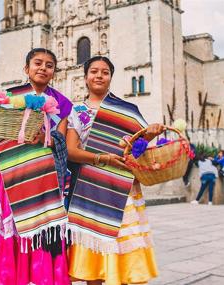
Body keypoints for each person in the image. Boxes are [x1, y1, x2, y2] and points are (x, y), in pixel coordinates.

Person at [0, 48, 72, 285]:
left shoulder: (61, 104)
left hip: (41, 181)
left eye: (49, 65)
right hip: (6, 179)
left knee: (39, 238)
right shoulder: (7, 99)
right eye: (38, 63)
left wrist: (45, 136)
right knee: (5, 239)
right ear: (26, 68)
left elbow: (61, 141)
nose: (43, 68)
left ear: (54, 72)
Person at [66, 56, 164, 285]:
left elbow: (137, 150)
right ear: (86, 77)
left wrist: (149, 135)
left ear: (110, 78)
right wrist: (103, 158)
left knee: (122, 249)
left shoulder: (127, 110)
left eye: (105, 72)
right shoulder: (78, 110)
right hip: (90, 188)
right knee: (95, 257)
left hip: (122, 190)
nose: (99, 75)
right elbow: (71, 150)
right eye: (94, 71)